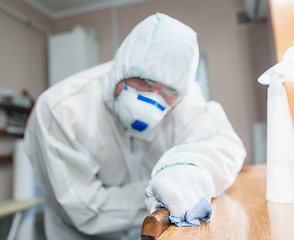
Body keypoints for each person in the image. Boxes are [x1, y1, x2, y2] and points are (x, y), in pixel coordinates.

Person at [24, 13, 246, 239]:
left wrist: (188, 167)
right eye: (144, 81)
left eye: (168, 91)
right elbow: (84, 208)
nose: (152, 101)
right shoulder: (60, 110)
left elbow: (222, 141)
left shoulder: (183, 100)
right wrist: (161, 195)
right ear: (121, 68)